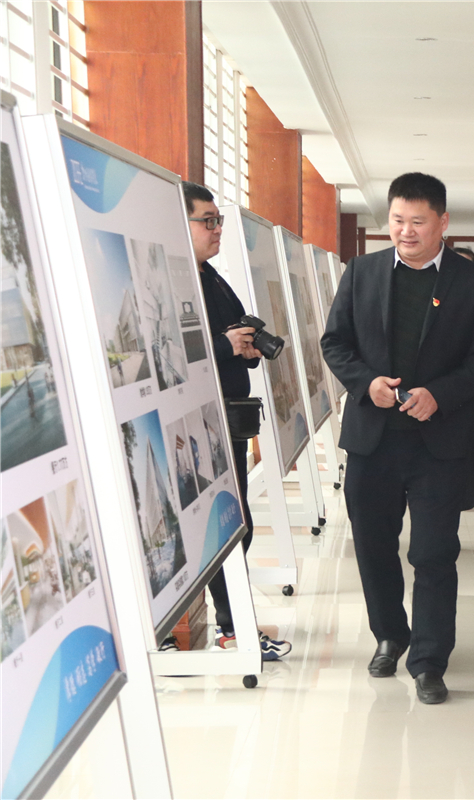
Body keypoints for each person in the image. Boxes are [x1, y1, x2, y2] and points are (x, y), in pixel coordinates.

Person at [321, 173, 474, 703]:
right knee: (373, 546)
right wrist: (366, 384)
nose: (406, 231)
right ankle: (390, 635)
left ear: (442, 222)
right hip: (372, 440)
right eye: (398, 220)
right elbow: (335, 343)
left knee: (433, 552)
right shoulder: (362, 272)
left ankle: (428, 659)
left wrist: (439, 394)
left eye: (418, 222)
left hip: (437, 444)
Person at [180, 182, 291, 660]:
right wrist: (225, 345)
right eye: (207, 221)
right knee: (219, 523)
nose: (216, 228)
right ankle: (230, 626)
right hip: (197, 425)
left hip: (229, 418)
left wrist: (242, 347)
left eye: (218, 220)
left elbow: (225, 342)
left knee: (235, 520)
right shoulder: (174, 278)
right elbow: (173, 355)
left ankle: (233, 621)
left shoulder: (212, 277)